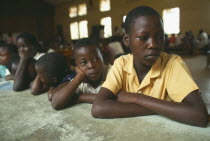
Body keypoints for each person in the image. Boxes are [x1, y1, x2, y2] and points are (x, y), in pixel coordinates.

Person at [92, 6, 208, 127]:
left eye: (159, 37)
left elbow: (199, 115)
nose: (153, 44)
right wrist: (162, 108)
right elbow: (99, 108)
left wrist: (138, 98)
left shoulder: (172, 64)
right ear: (127, 40)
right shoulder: (121, 64)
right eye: (143, 37)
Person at [49, 38, 110, 110]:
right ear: (77, 65)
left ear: (103, 58)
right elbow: (56, 103)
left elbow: (118, 98)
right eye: (84, 62)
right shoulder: (80, 78)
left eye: (95, 59)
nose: (91, 66)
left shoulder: (112, 72)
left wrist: (81, 97)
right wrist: (78, 78)